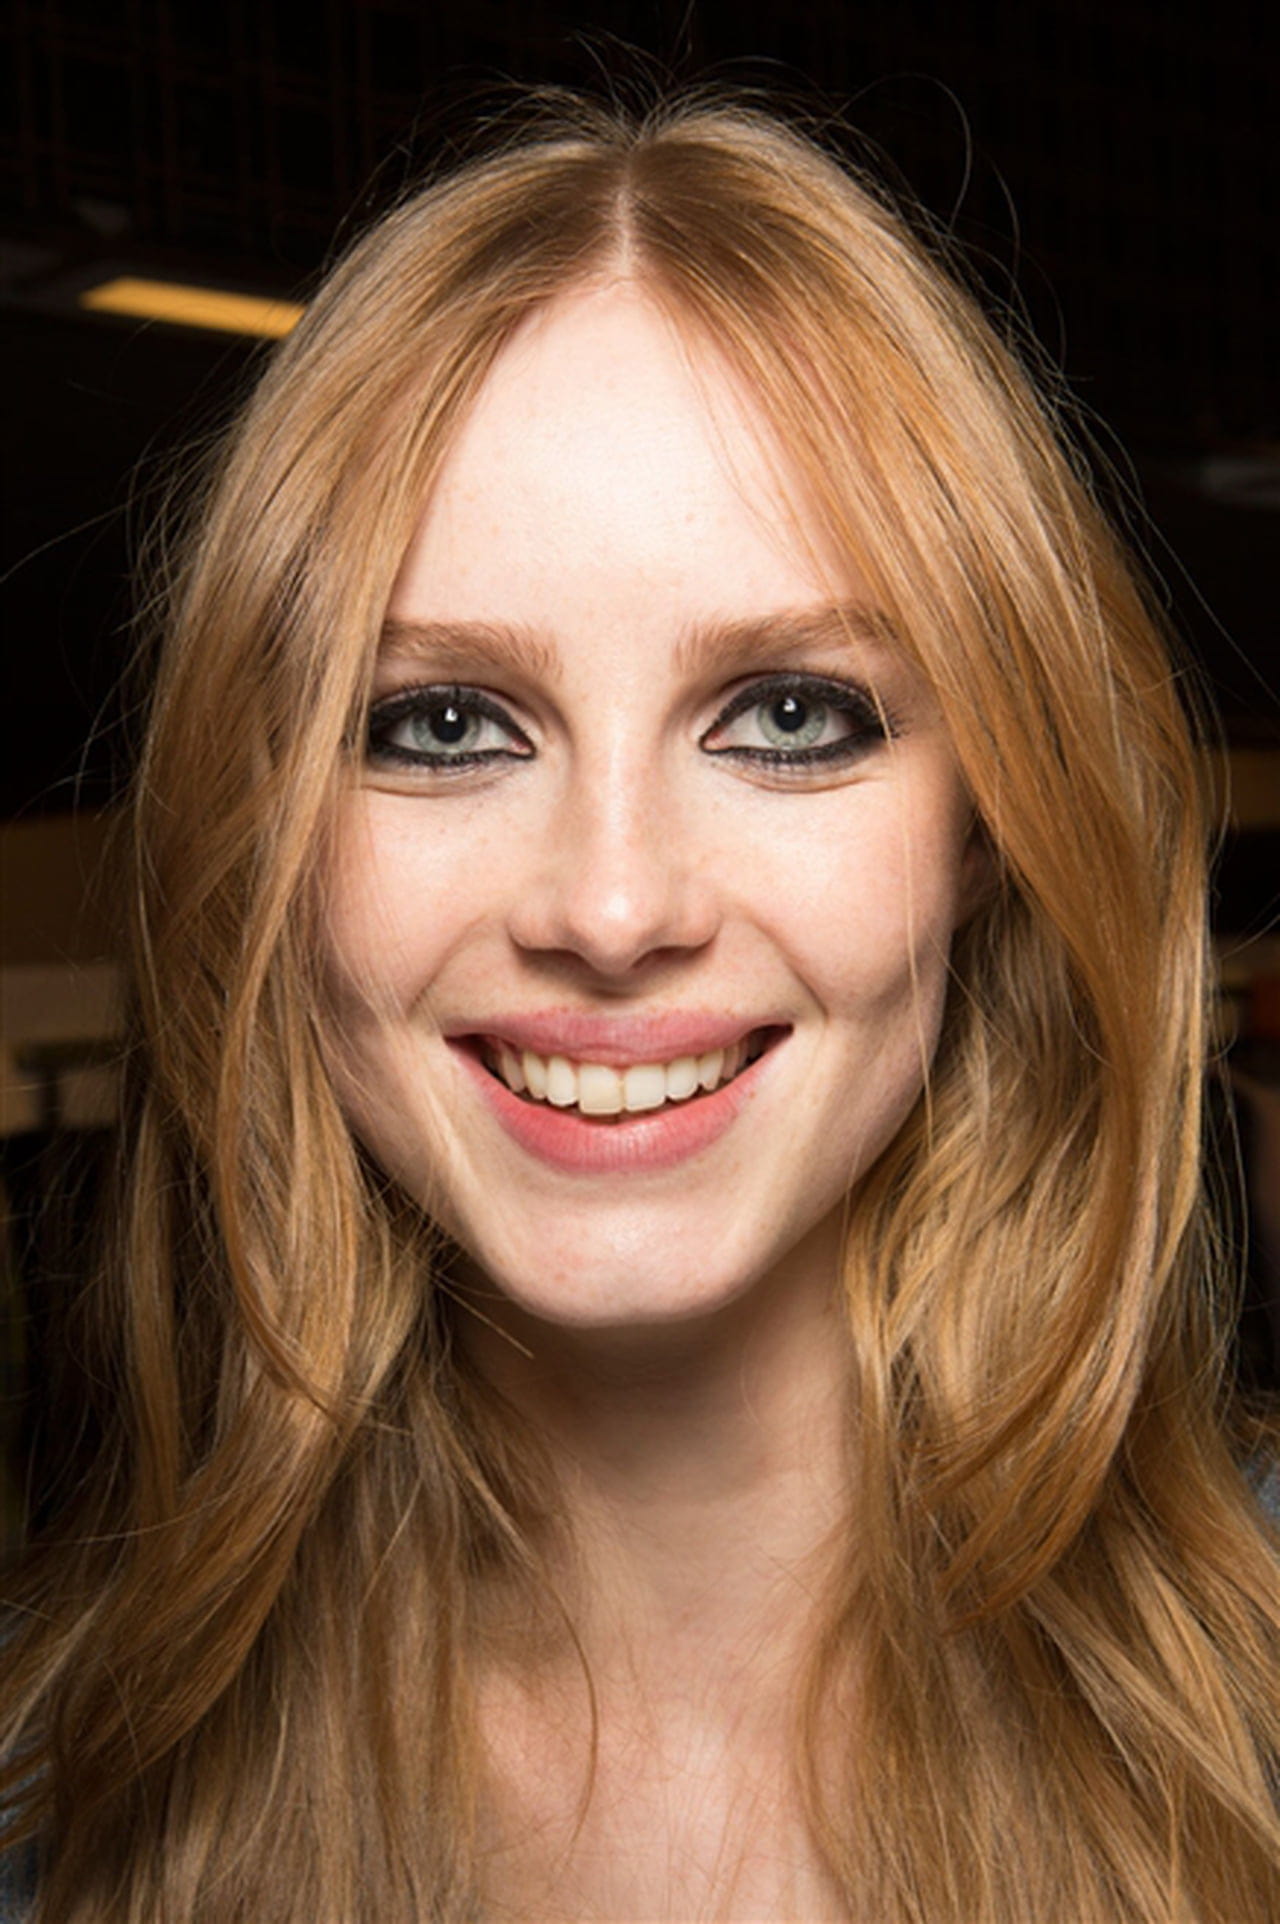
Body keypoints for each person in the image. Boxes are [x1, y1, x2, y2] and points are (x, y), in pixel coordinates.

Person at [2, 93, 1278, 1924]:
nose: (611, 910)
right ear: (265, 835)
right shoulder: (59, 1825)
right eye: (443, 724)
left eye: (790, 716)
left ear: (987, 832)